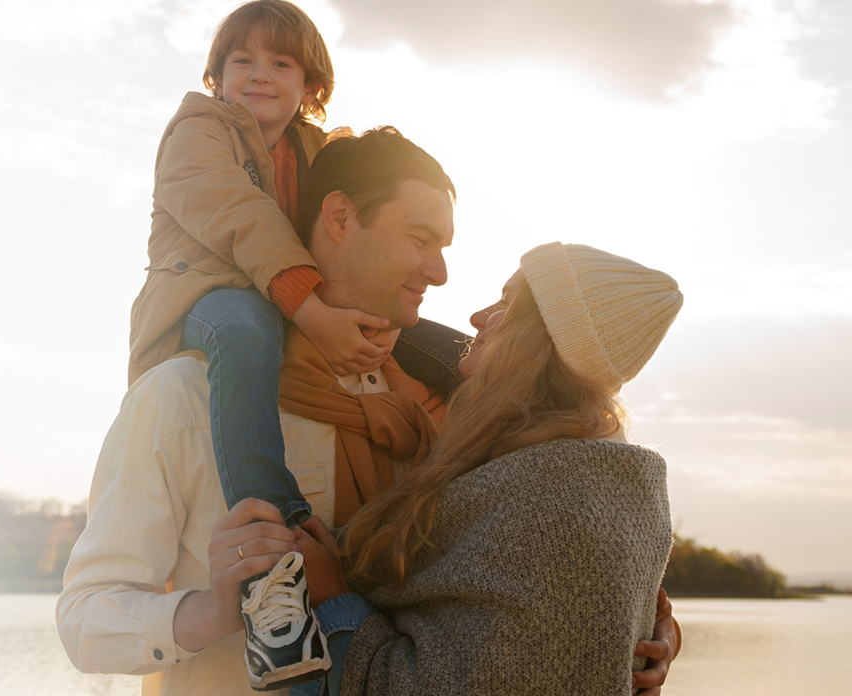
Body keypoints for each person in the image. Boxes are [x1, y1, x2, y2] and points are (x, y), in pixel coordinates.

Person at [57, 129, 680, 696]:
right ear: (339, 217)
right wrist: (214, 609)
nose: (440, 272)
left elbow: (534, 565)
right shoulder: (184, 400)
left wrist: (636, 631)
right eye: (420, 239)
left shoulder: (452, 413)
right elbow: (85, 619)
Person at [126, 2, 402, 686]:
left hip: (288, 296)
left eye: (281, 62)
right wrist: (312, 312)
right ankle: (271, 563)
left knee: (414, 338)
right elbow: (241, 218)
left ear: (310, 83)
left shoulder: (314, 150)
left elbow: (360, 200)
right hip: (206, 299)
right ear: (215, 76)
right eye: (240, 60)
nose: (258, 74)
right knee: (246, 327)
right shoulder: (197, 131)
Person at [278, 243, 684, 695]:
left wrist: (334, 601)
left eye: (506, 304)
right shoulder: (577, 480)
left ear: (537, 340)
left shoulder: (554, 509)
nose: (476, 316)